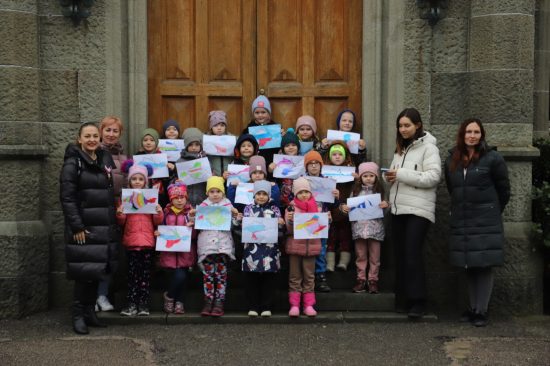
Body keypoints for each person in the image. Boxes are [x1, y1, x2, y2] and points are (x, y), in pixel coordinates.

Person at [444, 118, 510, 327]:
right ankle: (473, 308)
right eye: (469, 132)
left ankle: (482, 310)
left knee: (484, 265)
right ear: (462, 134)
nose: (472, 135)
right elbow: (451, 188)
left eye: (477, 132)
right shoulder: (452, 159)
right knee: (469, 265)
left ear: (482, 135)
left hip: (485, 220)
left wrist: (491, 211)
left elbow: (504, 190)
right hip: (463, 219)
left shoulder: (493, 158)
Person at [60, 122, 119, 334]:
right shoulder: (72, 163)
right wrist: (76, 226)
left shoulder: (103, 159)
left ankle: (89, 313)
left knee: (96, 272)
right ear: (80, 139)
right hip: (84, 227)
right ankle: (77, 315)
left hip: (103, 226)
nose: (92, 139)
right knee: (84, 274)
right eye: (88, 136)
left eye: (95, 135)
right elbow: (67, 198)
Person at [384, 107, 441, 319]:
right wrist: (389, 176)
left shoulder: (429, 149)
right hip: (399, 208)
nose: (403, 129)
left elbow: (433, 177)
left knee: (412, 254)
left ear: (418, 125)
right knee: (400, 254)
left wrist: (401, 174)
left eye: (407, 125)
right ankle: (403, 299)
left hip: (419, 210)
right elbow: (397, 174)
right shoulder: (400, 148)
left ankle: (418, 301)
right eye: (400, 125)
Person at [117, 162, 164, 317]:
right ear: (129, 181)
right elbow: (121, 222)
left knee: (145, 276)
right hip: (131, 243)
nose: (137, 181)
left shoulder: (150, 199)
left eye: (140, 179)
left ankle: (143, 304)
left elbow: (157, 222)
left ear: (145, 181)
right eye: (134, 179)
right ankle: (131, 304)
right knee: (132, 276)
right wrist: (120, 213)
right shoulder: (125, 199)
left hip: (147, 243)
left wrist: (158, 212)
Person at [190, 176, 239, 317]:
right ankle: (208, 301)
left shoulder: (228, 206)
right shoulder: (203, 207)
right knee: (208, 276)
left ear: (223, 192)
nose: (215, 194)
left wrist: (236, 217)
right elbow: (195, 225)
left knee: (221, 275)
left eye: (218, 191)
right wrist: (193, 216)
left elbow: (234, 226)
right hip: (207, 248)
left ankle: (219, 303)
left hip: (223, 247)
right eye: (212, 191)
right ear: (207, 193)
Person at [235, 180, 284, 317]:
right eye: (258, 194)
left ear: (269, 196)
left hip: (270, 250)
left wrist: (280, 224)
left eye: (264, 194)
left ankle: (266, 306)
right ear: (254, 195)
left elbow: (280, 231)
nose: (261, 196)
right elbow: (240, 228)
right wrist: (238, 220)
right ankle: (253, 306)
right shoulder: (248, 209)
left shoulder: (274, 209)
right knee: (251, 279)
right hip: (252, 249)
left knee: (269, 279)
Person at [95, 116, 127, 312]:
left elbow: (127, 185)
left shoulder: (124, 158)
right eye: (108, 130)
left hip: (117, 210)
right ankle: (92, 297)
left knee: (111, 255)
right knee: (95, 255)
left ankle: (103, 294)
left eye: (115, 131)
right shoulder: (92, 153)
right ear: (101, 131)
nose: (111, 134)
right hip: (97, 210)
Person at [344, 162, 388, 294]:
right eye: (365, 176)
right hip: (359, 229)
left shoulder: (379, 192)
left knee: (375, 257)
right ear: (360, 177)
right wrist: (347, 208)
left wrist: (386, 206)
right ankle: (361, 280)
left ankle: (373, 280)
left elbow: (384, 213)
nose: (368, 178)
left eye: (371, 175)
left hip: (375, 230)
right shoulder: (355, 192)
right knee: (360, 256)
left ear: (376, 177)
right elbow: (350, 209)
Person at [284, 177, 322, 317]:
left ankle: (308, 305)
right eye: (300, 192)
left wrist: (327, 220)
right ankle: (294, 305)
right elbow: (288, 230)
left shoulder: (318, 207)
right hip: (295, 246)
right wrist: (290, 220)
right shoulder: (291, 207)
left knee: (309, 277)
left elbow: (321, 228)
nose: (304, 194)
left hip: (311, 248)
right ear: (295, 194)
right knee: (295, 277)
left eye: (306, 191)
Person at [303, 150, 340, 292]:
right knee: (307, 248)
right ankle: (307, 278)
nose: (313, 167)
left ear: (321, 166)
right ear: (306, 167)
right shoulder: (302, 181)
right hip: (306, 220)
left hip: (323, 221)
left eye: (316, 164)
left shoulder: (327, 182)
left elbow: (334, 206)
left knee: (321, 248)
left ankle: (321, 276)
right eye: (310, 164)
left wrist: (336, 197)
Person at [158, 181, 196, 315]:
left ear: (186, 197)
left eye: (182, 197)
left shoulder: (190, 213)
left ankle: (174, 299)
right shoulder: (166, 212)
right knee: (176, 277)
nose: (180, 200)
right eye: (176, 198)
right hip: (169, 252)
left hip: (186, 252)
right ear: (171, 199)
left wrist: (192, 227)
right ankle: (175, 299)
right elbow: (160, 227)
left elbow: (196, 234)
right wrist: (158, 233)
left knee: (182, 277)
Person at [325, 141, 356, 271]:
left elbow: (356, 191)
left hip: (346, 211)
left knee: (345, 236)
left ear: (345, 156)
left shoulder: (351, 172)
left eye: (340, 154)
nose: (337, 156)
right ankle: (330, 263)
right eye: (334, 154)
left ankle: (343, 262)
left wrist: (357, 178)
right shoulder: (325, 172)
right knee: (330, 237)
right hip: (331, 210)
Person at [242, 95, 282, 166]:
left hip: (271, 162)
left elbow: (281, 146)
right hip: (254, 163)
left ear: (269, 114)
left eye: (263, 112)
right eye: (257, 113)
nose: (260, 115)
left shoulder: (275, 128)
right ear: (253, 114)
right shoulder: (249, 128)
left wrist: (282, 137)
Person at [205, 110, 235, 177]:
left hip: (228, 175)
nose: (219, 128)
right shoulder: (207, 141)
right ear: (211, 127)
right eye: (215, 125)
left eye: (222, 125)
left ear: (225, 127)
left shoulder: (232, 139)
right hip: (213, 175)